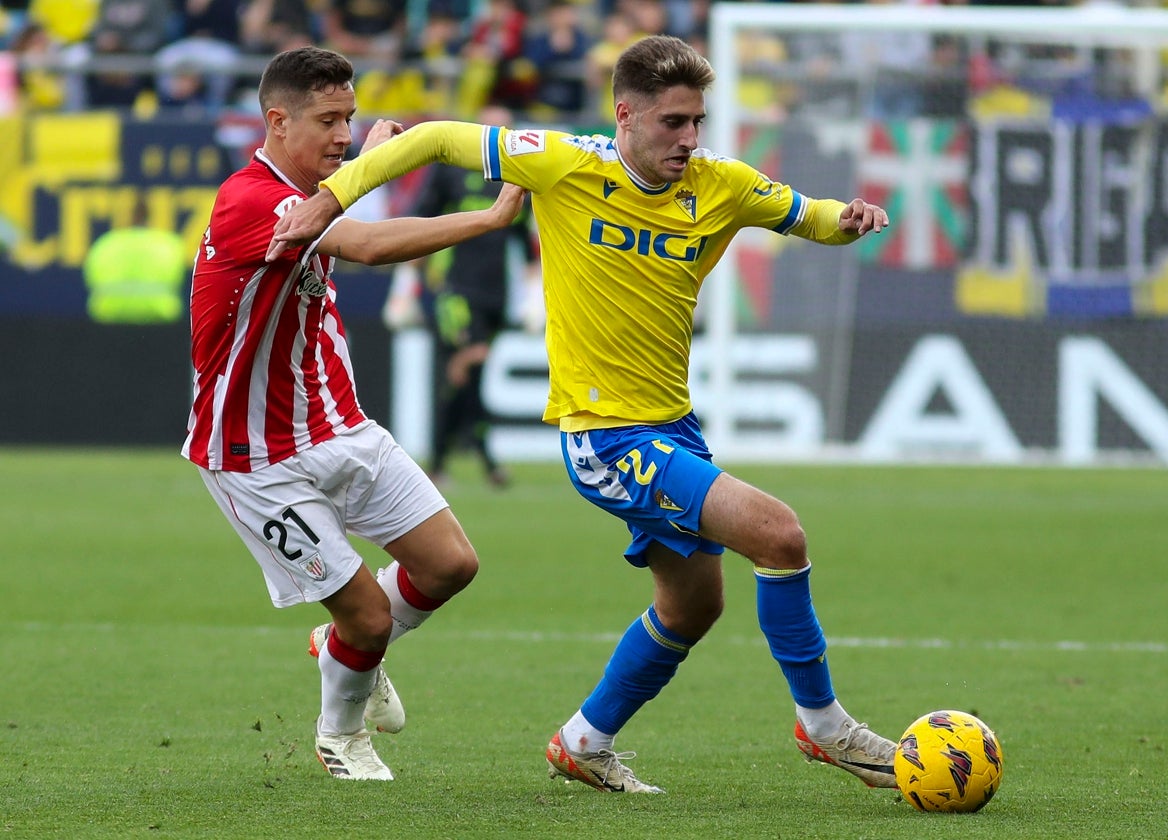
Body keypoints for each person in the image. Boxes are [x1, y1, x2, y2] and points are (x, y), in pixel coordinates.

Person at [266, 34, 898, 794]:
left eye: (697, 121)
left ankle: (583, 741)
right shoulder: (565, 162)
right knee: (778, 531)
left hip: (674, 428)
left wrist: (848, 217)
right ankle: (825, 726)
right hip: (605, 436)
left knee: (694, 604)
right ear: (625, 115)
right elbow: (433, 138)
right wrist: (329, 199)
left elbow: (808, 215)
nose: (689, 139)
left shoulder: (721, 184)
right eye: (672, 122)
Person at [182, 45, 527, 781]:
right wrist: (488, 217)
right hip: (255, 457)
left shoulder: (311, 183)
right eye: (329, 120)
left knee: (450, 565)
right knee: (369, 616)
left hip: (340, 425)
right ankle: (341, 736)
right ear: (277, 122)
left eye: (351, 118)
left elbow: (338, 195)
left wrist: (367, 158)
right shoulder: (250, 199)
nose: (344, 135)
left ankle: (337, 645)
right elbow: (363, 244)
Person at [401, 103, 538, 488]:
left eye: (506, 131)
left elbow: (525, 245)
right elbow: (420, 225)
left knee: (465, 378)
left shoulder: (518, 177)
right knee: (469, 364)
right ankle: (487, 462)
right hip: (456, 291)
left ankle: (440, 462)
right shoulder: (451, 171)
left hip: (496, 294)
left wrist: (532, 298)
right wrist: (404, 289)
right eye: (492, 131)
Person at [82, 195, 189, 324]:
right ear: (149, 216)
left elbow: (89, 279)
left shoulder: (105, 244)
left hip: (109, 323)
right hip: (159, 323)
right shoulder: (169, 245)